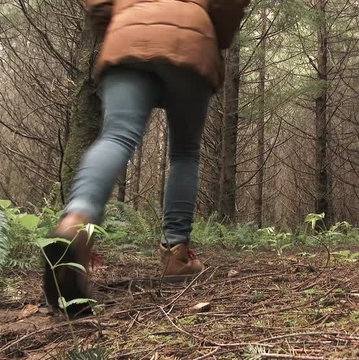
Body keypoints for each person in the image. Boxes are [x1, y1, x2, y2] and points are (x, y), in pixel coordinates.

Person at [43, 0, 250, 317]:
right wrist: (214, 31)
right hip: (192, 40)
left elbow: (98, 5)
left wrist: (117, 22)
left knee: (116, 136)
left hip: (127, 38)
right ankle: (175, 255)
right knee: (184, 153)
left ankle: (75, 223)